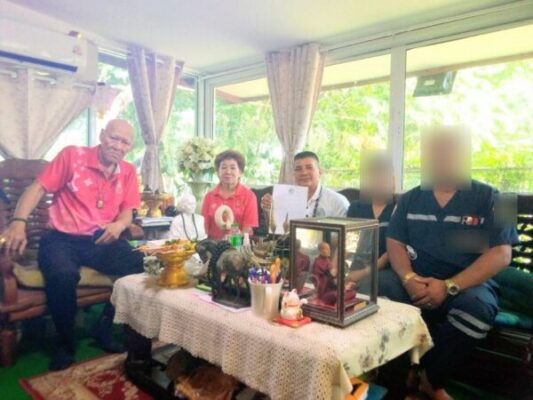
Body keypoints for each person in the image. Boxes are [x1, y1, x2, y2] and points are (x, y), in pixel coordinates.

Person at [385, 126, 518, 400]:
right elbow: (394, 242)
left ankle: (429, 378)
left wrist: (449, 286)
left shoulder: (499, 198)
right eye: (434, 151)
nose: (441, 158)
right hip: (415, 279)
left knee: (476, 312)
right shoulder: (409, 198)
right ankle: (393, 375)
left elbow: (502, 254)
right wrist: (408, 278)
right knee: (373, 292)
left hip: (467, 284)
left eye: (449, 151)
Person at [0, 119, 144, 371]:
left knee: (141, 264)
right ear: (102, 135)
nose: (118, 146)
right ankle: (65, 345)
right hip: (61, 239)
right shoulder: (72, 156)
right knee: (63, 275)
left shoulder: (128, 171)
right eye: (114, 138)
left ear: (129, 147)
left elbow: (128, 210)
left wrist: (119, 225)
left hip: (99, 238)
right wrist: (18, 222)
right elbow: (37, 189)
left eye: (125, 142)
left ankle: (104, 326)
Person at [347, 152, 396, 294]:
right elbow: (347, 242)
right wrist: (338, 269)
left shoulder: (399, 208)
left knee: (367, 284)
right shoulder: (356, 207)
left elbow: (393, 251)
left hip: (384, 268)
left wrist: (362, 273)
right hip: (355, 264)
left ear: (393, 182)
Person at [261, 151, 349, 218]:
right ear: (293, 174)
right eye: (298, 169)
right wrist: (268, 211)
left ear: (320, 171)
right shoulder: (284, 199)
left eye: (309, 167)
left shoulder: (337, 202)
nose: (304, 173)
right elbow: (278, 233)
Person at [202, 150, 258, 240]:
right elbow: (203, 228)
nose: (228, 172)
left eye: (233, 168)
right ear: (218, 172)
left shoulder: (249, 196)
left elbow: (247, 229)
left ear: (240, 172)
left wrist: (233, 242)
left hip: (238, 244)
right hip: (212, 245)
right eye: (224, 167)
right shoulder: (209, 196)